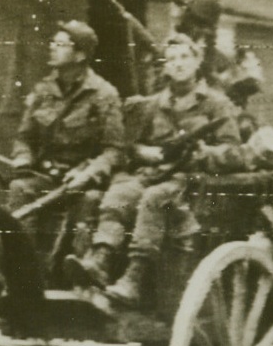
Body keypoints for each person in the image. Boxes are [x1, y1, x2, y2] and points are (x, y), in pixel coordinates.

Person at [65, 34, 243, 304]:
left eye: (184, 57)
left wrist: (203, 154)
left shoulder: (216, 105)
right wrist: (144, 153)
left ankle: (134, 278)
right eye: (171, 59)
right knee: (120, 194)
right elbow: (130, 147)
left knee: (154, 199)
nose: (178, 64)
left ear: (197, 62)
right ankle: (100, 259)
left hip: (191, 183)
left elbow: (234, 153)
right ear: (165, 67)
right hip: (153, 173)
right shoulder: (150, 105)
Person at [9, 21, 125, 277]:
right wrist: (23, 158)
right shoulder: (43, 92)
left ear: (80, 54)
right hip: (46, 178)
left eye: (60, 44)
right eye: (53, 42)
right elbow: (24, 137)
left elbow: (114, 150)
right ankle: (19, 271)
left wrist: (89, 173)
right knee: (20, 190)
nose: (52, 48)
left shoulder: (104, 94)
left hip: (83, 183)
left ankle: (80, 276)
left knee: (90, 202)